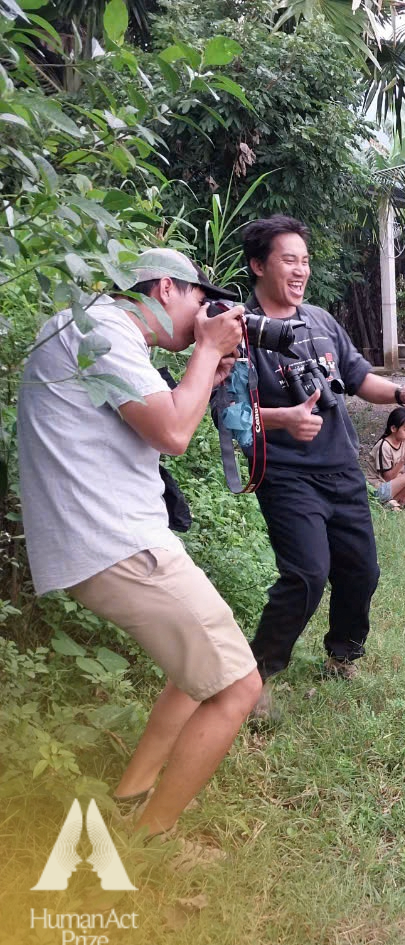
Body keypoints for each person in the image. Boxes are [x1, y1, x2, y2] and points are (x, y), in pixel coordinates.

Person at [17, 248, 262, 835]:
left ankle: (131, 794)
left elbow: (164, 418)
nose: (206, 317)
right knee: (238, 687)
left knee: (196, 666)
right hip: (118, 543)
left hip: (107, 542)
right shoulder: (101, 329)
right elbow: (175, 434)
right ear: (166, 288)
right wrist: (205, 350)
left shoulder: (87, 325)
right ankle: (152, 835)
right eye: (202, 302)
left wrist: (204, 371)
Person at [241, 215, 405, 715]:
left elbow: (359, 377)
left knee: (361, 571)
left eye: (304, 260)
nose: (300, 270)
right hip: (285, 473)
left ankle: (343, 653)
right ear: (259, 264)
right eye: (288, 259)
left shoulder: (321, 321)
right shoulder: (239, 331)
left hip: (341, 469)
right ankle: (257, 674)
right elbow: (225, 413)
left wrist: (400, 392)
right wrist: (281, 420)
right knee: (306, 574)